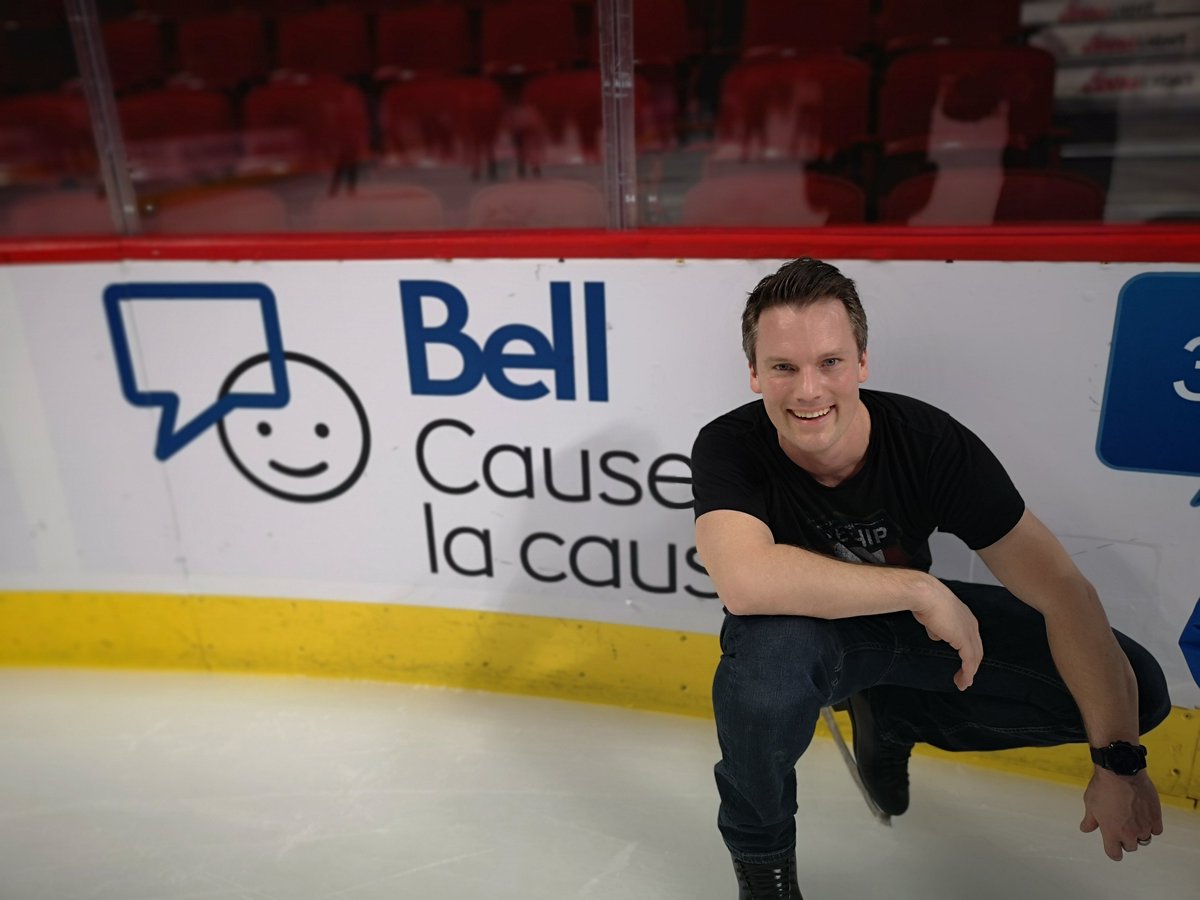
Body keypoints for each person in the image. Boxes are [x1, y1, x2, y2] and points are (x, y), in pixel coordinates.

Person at [690, 258, 1171, 900]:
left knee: (1139, 690)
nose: (808, 390)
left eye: (830, 362)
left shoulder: (929, 443)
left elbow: (1063, 591)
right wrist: (920, 588)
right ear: (754, 373)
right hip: (807, 639)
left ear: (862, 362)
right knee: (762, 675)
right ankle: (765, 873)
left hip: (907, 633)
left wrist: (1118, 761)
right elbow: (745, 582)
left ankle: (893, 718)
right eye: (783, 367)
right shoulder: (729, 445)